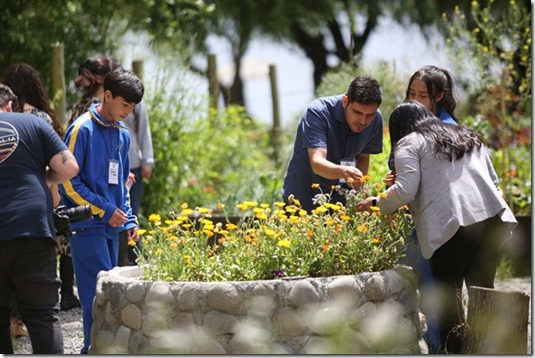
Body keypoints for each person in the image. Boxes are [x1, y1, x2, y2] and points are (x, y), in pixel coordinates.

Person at [356, 101, 517, 354]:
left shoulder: (409, 141)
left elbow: (406, 189)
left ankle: (455, 352)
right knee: (483, 295)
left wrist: (376, 202)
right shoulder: (465, 134)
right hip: (490, 218)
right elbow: (493, 181)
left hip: (452, 227)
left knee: (449, 305)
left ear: (398, 129)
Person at [58, 67, 144, 354]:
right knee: (94, 299)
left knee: (110, 297)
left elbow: (121, 184)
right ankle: (90, 349)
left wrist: (128, 218)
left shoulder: (122, 134)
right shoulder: (81, 129)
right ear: (107, 95)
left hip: (112, 228)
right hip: (86, 227)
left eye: (132, 108)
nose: (128, 113)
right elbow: (67, 183)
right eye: (125, 105)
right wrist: (106, 209)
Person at [384, 65, 459, 353]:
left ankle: (437, 345)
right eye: (411, 94)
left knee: (431, 288)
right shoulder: (414, 123)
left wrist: (387, 197)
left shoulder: (443, 129)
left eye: (422, 95)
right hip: (418, 215)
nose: (414, 101)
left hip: (434, 220)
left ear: (438, 96)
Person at [0, 83, 79, 354]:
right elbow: (69, 167)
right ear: (10, 105)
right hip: (32, 226)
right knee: (43, 315)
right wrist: (44, 177)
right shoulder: (32, 123)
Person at [282, 75, 383, 212]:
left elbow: (363, 156)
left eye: (369, 115)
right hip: (301, 203)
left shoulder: (376, 119)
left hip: (340, 206)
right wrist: (344, 172)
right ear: (345, 101)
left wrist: (356, 191)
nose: (363, 121)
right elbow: (317, 163)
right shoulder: (318, 112)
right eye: (357, 112)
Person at [120, 100, 154, 265]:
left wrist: (147, 160)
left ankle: (135, 260)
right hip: (112, 164)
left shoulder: (133, 95)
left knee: (132, 211)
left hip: (133, 162)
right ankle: (120, 260)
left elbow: (144, 128)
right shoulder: (101, 92)